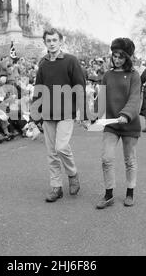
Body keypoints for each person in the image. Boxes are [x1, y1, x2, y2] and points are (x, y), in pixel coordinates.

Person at [31, 28, 86, 203]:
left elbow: (80, 86)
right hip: (47, 112)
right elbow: (38, 89)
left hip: (66, 112)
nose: (52, 43)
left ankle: (72, 173)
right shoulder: (43, 63)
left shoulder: (71, 61)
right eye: (49, 40)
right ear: (45, 43)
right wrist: (36, 115)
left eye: (55, 40)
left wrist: (82, 111)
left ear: (61, 41)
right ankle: (56, 187)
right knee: (51, 153)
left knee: (61, 147)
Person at [95, 38, 141, 209]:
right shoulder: (107, 75)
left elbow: (135, 98)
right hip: (112, 124)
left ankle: (130, 192)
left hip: (129, 124)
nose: (117, 59)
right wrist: (93, 115)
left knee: (129, 160)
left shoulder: (134, 76)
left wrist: (126, 114)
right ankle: (109, 195)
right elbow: (101, 97)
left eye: (121, 57)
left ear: (128, 58)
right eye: (114, 56)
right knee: (106, 158)